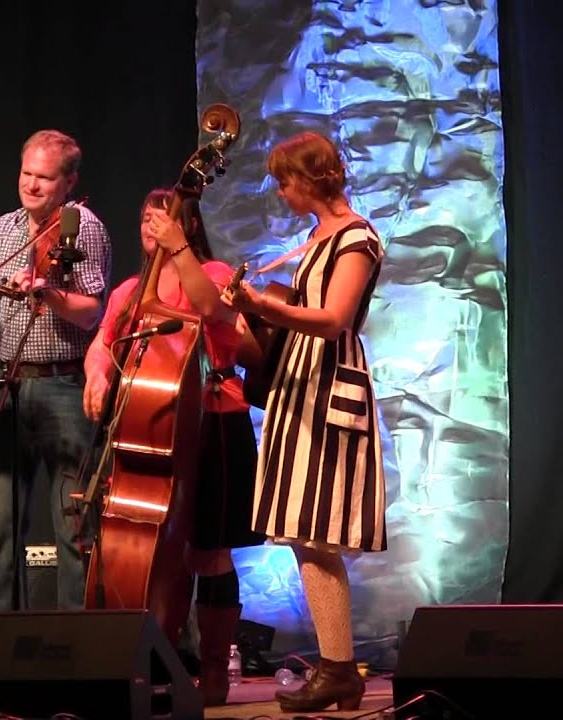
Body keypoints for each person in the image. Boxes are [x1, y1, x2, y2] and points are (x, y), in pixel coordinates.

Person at [221, 131, 387, 713]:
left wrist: (266, 307)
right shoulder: (314, 240)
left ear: (310, 179)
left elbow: (334, 317)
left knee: (317, 531)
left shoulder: (356, 239)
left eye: (286, 181)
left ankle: (339, 668)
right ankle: (336, 667)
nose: (282, 193)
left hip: (328, 386)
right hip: (299, 386)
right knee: (301, 532)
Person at [83, 188, 265, 706]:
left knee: (209, 553)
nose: (152, 225)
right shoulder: (128, 291)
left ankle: (215, 667)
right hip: (151, 429)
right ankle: (150, 661)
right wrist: (97, 373)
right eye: (146, 217)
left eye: (165, 218)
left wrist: (180, 248)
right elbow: (103, 342)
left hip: (215, 422)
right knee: (156, 551)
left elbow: (210, 310)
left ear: (187, 226)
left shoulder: (213, 275)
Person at [0, 129, 112, 611]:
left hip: (64, 385)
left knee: (73, 525)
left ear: (69, 182)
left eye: (45, 177)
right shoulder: (4, 227)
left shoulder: (79, 225)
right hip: (8, 384)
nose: (32, 185)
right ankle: (4, 643)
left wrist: (47, 291)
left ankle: (76, 650)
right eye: (27, 173)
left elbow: (90, 311)